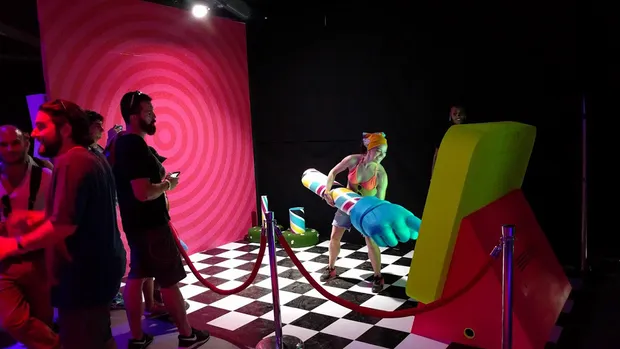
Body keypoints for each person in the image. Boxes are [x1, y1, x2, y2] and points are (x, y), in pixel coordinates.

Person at [0, 99, 127, 349]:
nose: (34, 134)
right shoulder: (91, 155)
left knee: (80, 341)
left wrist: (13, 245)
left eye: (41, 127)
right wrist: (34, 218)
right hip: (101, 268)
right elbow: (79, 215)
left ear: (66, 129)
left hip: (84, 274)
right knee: (100, 336)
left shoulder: (72, 161)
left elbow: (63, 226)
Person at [111, 91, 209, 349]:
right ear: (134, 116)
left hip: (135, 224)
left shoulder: (121, 143)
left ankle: (136, 337)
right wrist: (168, 184)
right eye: (148, 112)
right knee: (168, 281)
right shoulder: (134, 145)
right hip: (152, 225)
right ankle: (187, 335)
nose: (154, 116)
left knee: (136, 277)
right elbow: (143, 192)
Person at [0, 125, 58, 348]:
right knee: (11, 320)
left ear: (26, 142)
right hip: (4, 265)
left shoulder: (45, 177)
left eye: (14, 143)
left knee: (42, 322)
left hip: (40, 261)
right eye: (3, 144)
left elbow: (61, 219)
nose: (9, 149)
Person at [320, 132, 388, 293]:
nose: (381, 155)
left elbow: (380, 202)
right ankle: (331, 268)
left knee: (371, 242)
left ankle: (378, 276)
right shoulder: (353, 160)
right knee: (334, 237)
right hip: (346, 205)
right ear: (369, 148)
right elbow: (332, 173)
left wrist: (372, 218)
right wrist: (327, 192)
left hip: (365, 211)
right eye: (379, 150)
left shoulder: (381, 174)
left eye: (384, 153)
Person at [432, 106, 467, 173]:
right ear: (450, 116)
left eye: (461, 113)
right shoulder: (444, 132)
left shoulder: (469, 131)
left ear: (465, 115)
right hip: (448, 167)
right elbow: (437, 154)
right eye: (455, 113)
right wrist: (433, 173)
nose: (458, 116)